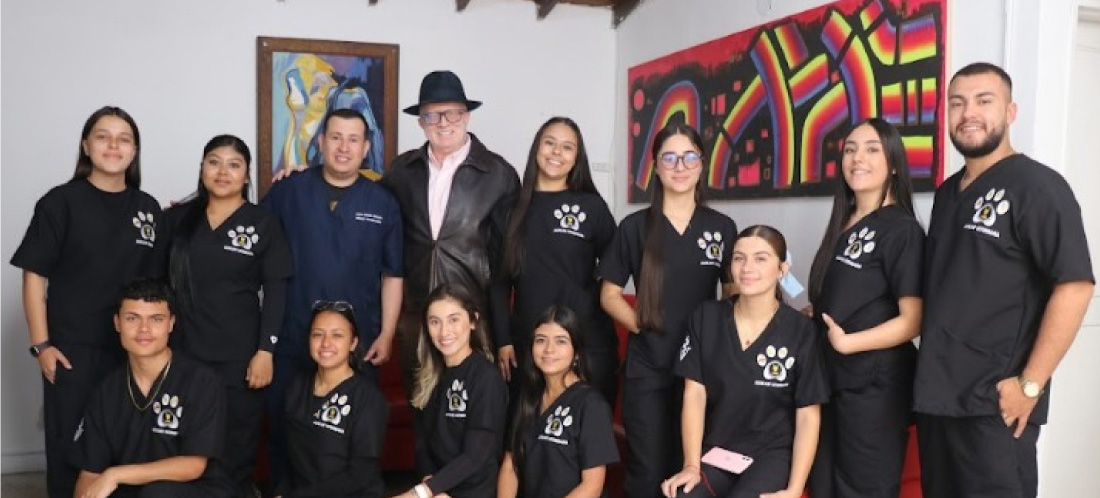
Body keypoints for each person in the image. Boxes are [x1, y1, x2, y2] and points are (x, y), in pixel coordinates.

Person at [913, 62, 1094, 498]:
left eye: (984, 101)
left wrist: (1031, 384)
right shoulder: (948, 193)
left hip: (995, 405)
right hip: (939, 399)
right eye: (957, 103)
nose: (968, 113)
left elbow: (1075, 286)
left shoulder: (1038, 186)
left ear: (1011, 112)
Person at [11, 106, 163, 498]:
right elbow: (33, 276)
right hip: (71, 350)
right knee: (71, 448)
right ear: (86, 145)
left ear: (134, 151)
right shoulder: (60, 202)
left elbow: (159, 287)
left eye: (124, 139)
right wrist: (42, 345)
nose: (113, 146)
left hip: (133, 350)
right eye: (102, 136)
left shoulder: (148, 209)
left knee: (129, 444)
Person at [260, 107, 403, 490]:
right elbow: (247, 228)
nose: (344, 147)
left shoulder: (382, 202)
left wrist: (387, 333)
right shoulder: (289, 190)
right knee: (285, 437)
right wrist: (187, 211)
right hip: (293, 341)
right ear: (321, 142)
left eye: (353, 140)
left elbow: (393, 274)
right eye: (335, 137)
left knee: (352, 445)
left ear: (366, 148)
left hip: (358, 345)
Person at [599, 121, 738, 497]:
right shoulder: (634, 227)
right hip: (649, 367)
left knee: (690, 469)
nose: (680, 166)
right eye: (670, 158)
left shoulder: (722, 228)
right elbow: (609, 294)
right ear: (656, 167)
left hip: (702, 369)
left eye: (689, 157)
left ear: (702, 164)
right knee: (647, 470)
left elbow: (732, 296)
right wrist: (642, 325)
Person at [163, 134, 293, 497]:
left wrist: (265, 351)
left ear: (247, 175)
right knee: (182, 443)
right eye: (214, 162)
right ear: (202, 168)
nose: (223, 172)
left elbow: (277, 291)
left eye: (234, 165)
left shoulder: (263, 223)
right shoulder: (176, 219)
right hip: (182, 354)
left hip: (240, 358)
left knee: (236, 448)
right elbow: (154, 289)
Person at [804, 118, 924, 498]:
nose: (858, 158)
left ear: (894, 164)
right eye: (851, 149)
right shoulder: (845, 220)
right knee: (823, 485)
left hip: (874, 388)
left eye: (872, 149)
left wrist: (848, 343)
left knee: (863, 489)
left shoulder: (902, 230)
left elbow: (913, 321)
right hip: (829, 379)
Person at [662, 225, 829, 498]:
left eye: (761, 258)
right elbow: (694, 394)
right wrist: (691, 465)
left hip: (772, 455)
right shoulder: (706, 317)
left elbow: (808, 414)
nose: (747, 268)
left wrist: (795, 488)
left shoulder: (801, 331)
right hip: (719, 450)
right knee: (683, 494)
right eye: (739, 258)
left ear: (782, 269)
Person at [382, 70, 521, 396]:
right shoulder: (401, 171)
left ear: (467, 116)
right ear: (421, 122)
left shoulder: (499, 174)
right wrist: (312, 175)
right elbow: (367, 204)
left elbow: (508, 259)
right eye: (432, 115)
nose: (443, 123)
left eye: (452, 113)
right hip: (418, 319)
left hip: (474, 318)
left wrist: (504, 334)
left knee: (474, 409)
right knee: (423, 410)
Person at [490, 117, 619, 407]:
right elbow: (498, 284)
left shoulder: (591, 207)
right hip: (530, 343)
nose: (556, 152)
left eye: (567, 147)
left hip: (587, 342)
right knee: (529, 427)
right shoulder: (508, 210)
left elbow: (616, 269)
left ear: (576, 157)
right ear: (537, 147)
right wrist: (503, 340)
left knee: (587, 426)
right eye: (550, 143)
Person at [72, 278, 232, 498]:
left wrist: (115, 475)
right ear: (117, 323)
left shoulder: (201, 381)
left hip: (199, 490)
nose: (144, 329)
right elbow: (90, 473)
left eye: (156, 319)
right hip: (135, 491)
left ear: (171, 323)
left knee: (158, 493)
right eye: (132, 318)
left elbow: (193, 465)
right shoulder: (106, 391)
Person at [497, 305, 619, 498]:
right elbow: (510, 466)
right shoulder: (528, 396)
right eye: (541, 340)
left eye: (561, 341)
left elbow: (592, 487)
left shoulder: (591, 405)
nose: (549, 349)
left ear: (576, 352)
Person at [402, 284, 508, 498]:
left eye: (453, 320)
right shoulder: (427, 376)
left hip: (472, 492)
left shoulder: (485, 378)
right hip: (437, 487)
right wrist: (430, 481)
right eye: (435, 322)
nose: (444, 332)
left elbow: (475, 456)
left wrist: (423, 492)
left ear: (473, 321)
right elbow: (422, 443)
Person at [277, 301, 389, 498]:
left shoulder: (368, 398)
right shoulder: (297, 386)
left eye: (337, 335)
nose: (326, 343)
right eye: (317, 334)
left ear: (353, 343)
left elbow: (362, 474)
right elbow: (287, 457)